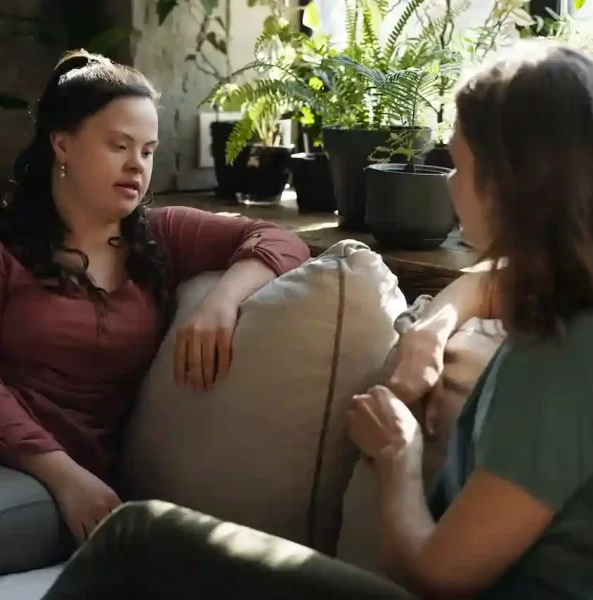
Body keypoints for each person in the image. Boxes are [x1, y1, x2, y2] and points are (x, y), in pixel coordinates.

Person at [43, 39, 593, 599]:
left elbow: (440, 572)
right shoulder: (565, 297)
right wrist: (433, 325)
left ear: (512, 181)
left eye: (459, 162)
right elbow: (500, 280)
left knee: (137, 534)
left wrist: (398, 456)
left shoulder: (560, 364)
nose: (447, 182)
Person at [0, 50, 309, 548]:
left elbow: (280, 240)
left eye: (148, 150)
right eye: (119, 145)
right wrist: (64, 477)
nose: (136, 166)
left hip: (68, 486)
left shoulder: (160, 235)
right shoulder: (2, 247)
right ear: (63, 145)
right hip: (30, 469)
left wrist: (221, 302)